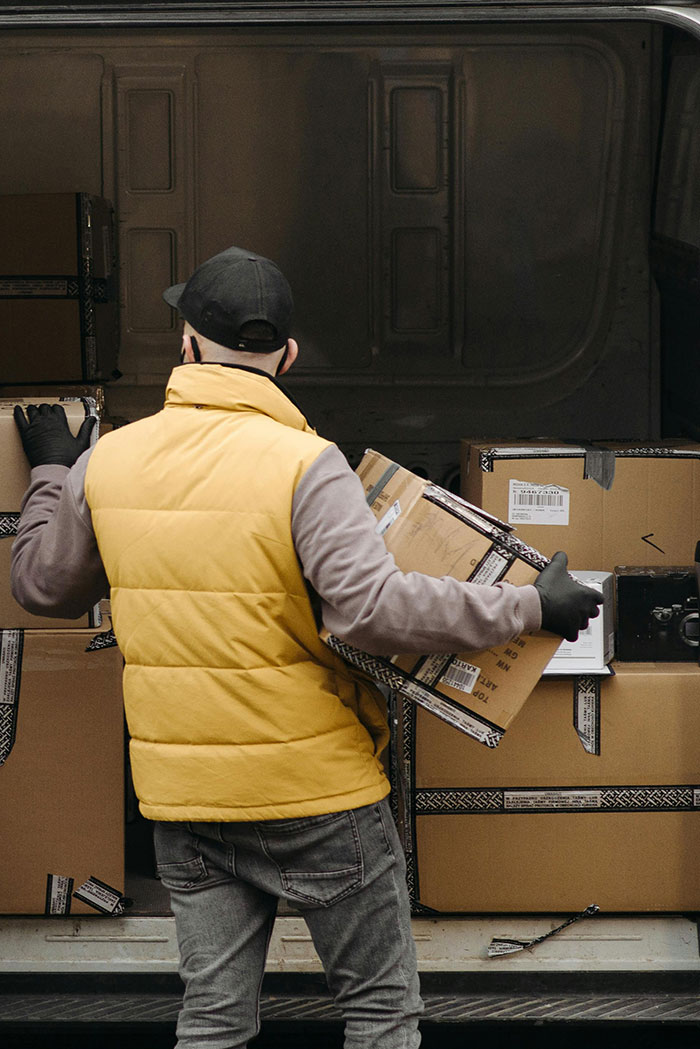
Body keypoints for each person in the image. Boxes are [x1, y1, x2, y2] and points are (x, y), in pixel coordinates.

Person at [11, 245, 602, 1049]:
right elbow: (375, 611)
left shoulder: (107, 462)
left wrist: (52, 471)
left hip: (184, 802)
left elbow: (44, 589)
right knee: (380, 1012)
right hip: (316, 798)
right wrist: (531, 603)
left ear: (186, 345)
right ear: (286, 357)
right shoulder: (304, 465)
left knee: (214, 1019)